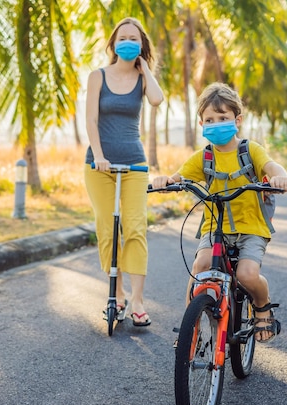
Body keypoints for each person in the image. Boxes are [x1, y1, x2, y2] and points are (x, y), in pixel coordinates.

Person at [151, 82, 287, 342]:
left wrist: (280, 178)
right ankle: (189, 330)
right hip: (215, 228)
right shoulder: (203, 157)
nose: (216, 124)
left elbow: (272, 166)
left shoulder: (250, 150)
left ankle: (262, 306)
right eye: (209, 120)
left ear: (237, 120)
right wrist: (164, 182)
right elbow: (177, 177)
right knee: (200, 266)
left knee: (246, 275)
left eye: (223, 118)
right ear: (201, 124)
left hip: (250, 228)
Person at [84, 17, 164, 327]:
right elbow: (91, 120)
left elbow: (157, 99)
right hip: (99, 165)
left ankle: (138, 300)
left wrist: (145, 68)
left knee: (135, 227)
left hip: (134, 164)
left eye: (134, 38)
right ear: (113, 43)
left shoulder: (143, 78)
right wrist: (100, 156)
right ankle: (116, 294)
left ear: (141, 45)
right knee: (107, 228)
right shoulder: (97, 77)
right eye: (122, 37)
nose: (127, 41)